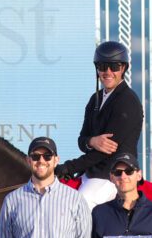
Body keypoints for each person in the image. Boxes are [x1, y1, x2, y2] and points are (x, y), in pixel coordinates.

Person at [56, 40, 144, 209]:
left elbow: (105, 152)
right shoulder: (94, 99)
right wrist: (91, 141)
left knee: (81, 204)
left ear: (123, 68)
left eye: (114, 66)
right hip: (92, 172)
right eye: (103, 66)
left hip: (113, 174)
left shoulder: (128, 102)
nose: (108, 72)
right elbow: (82, 140)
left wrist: (68, 167)